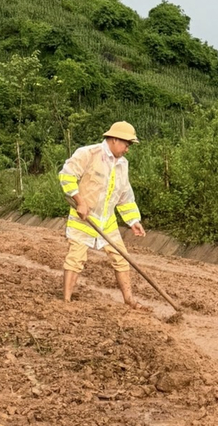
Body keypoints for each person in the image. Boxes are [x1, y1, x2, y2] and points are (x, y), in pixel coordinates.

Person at [59, 121, 148, 310]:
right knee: (76, 258)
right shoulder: (88, 154)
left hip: (107, 221)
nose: (127, 149)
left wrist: (133, 221)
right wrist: (80, 202)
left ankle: (129, 299)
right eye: (126, 144)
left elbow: (125, 195)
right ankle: (66, 300)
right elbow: (66, 176)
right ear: (115, 139)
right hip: (83, 219)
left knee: (121, 257)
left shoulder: (123, 164)